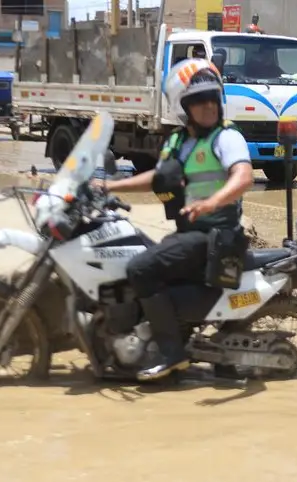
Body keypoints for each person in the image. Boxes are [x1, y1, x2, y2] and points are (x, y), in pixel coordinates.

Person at [98, 59, 254, 381]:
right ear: (184, 107)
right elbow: (157, 178)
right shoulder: (179, 142)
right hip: (190, 233)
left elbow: (243, 176)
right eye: (199, 100)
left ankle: (171, 353)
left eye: (212, 98)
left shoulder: (226, 137)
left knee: (140, 268)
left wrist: (211, 203)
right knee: (136, 250)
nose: (209, 106)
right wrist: (108, 186)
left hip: (216, 236)